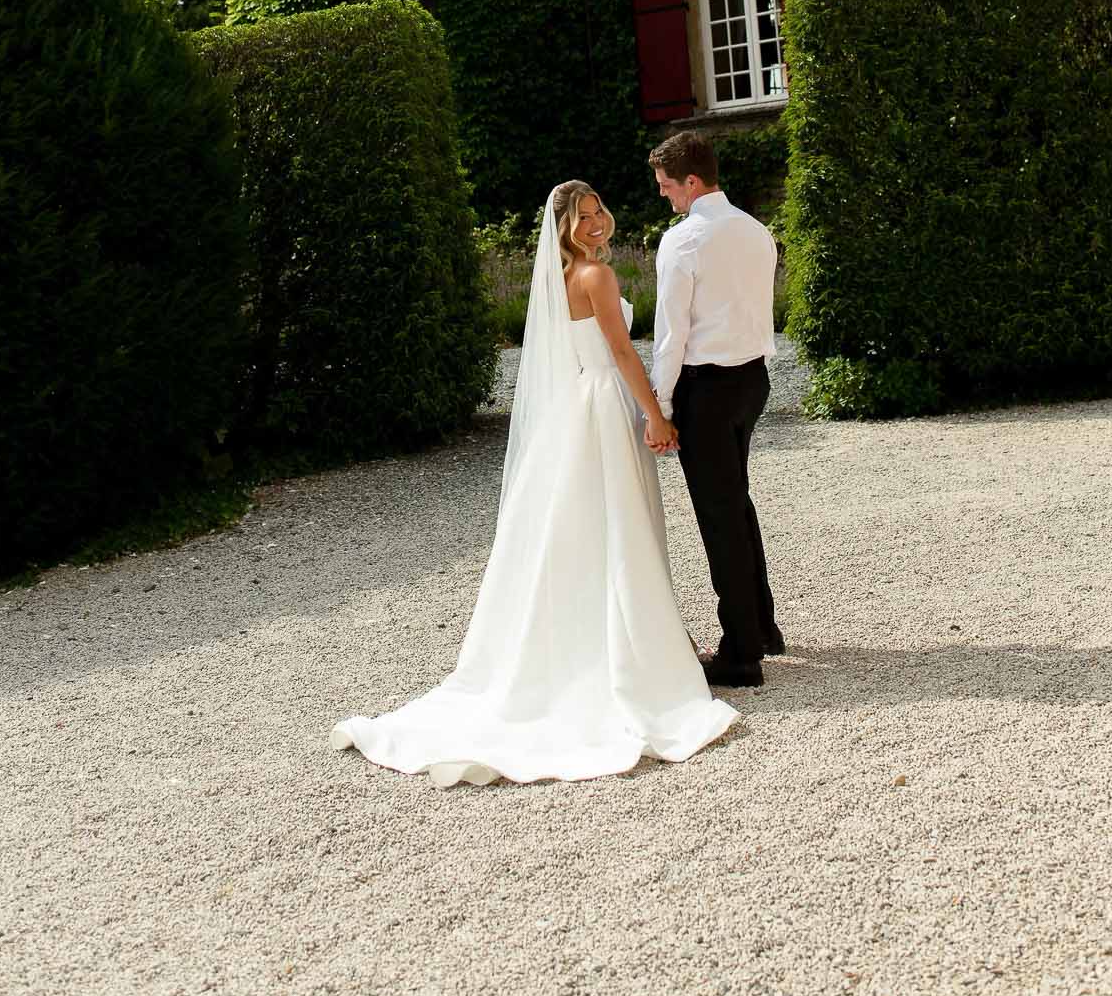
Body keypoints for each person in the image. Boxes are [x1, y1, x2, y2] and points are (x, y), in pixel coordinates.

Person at [329, 181, 737, 787]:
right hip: (603, 405)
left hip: (577, 407)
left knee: (578, 531)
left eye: (600, 210)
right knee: (615, 527)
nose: (597, 222)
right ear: (565, 226)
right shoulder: (596, 277)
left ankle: (583, 643)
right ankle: (625, 654)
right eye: (584, 216)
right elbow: (623, 353)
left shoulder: (562, 279)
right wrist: (656, 413)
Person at [649, 132, 783, 689]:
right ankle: (763, 627)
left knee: (719, 517)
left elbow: (671, 335)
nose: (665, 196)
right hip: (753, 381)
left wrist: (659, 405)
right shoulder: (757, 231)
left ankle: (740, 653)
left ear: (693, 183)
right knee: (736, 502)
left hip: (704, 392)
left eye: (667, 187)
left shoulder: (683, 242)